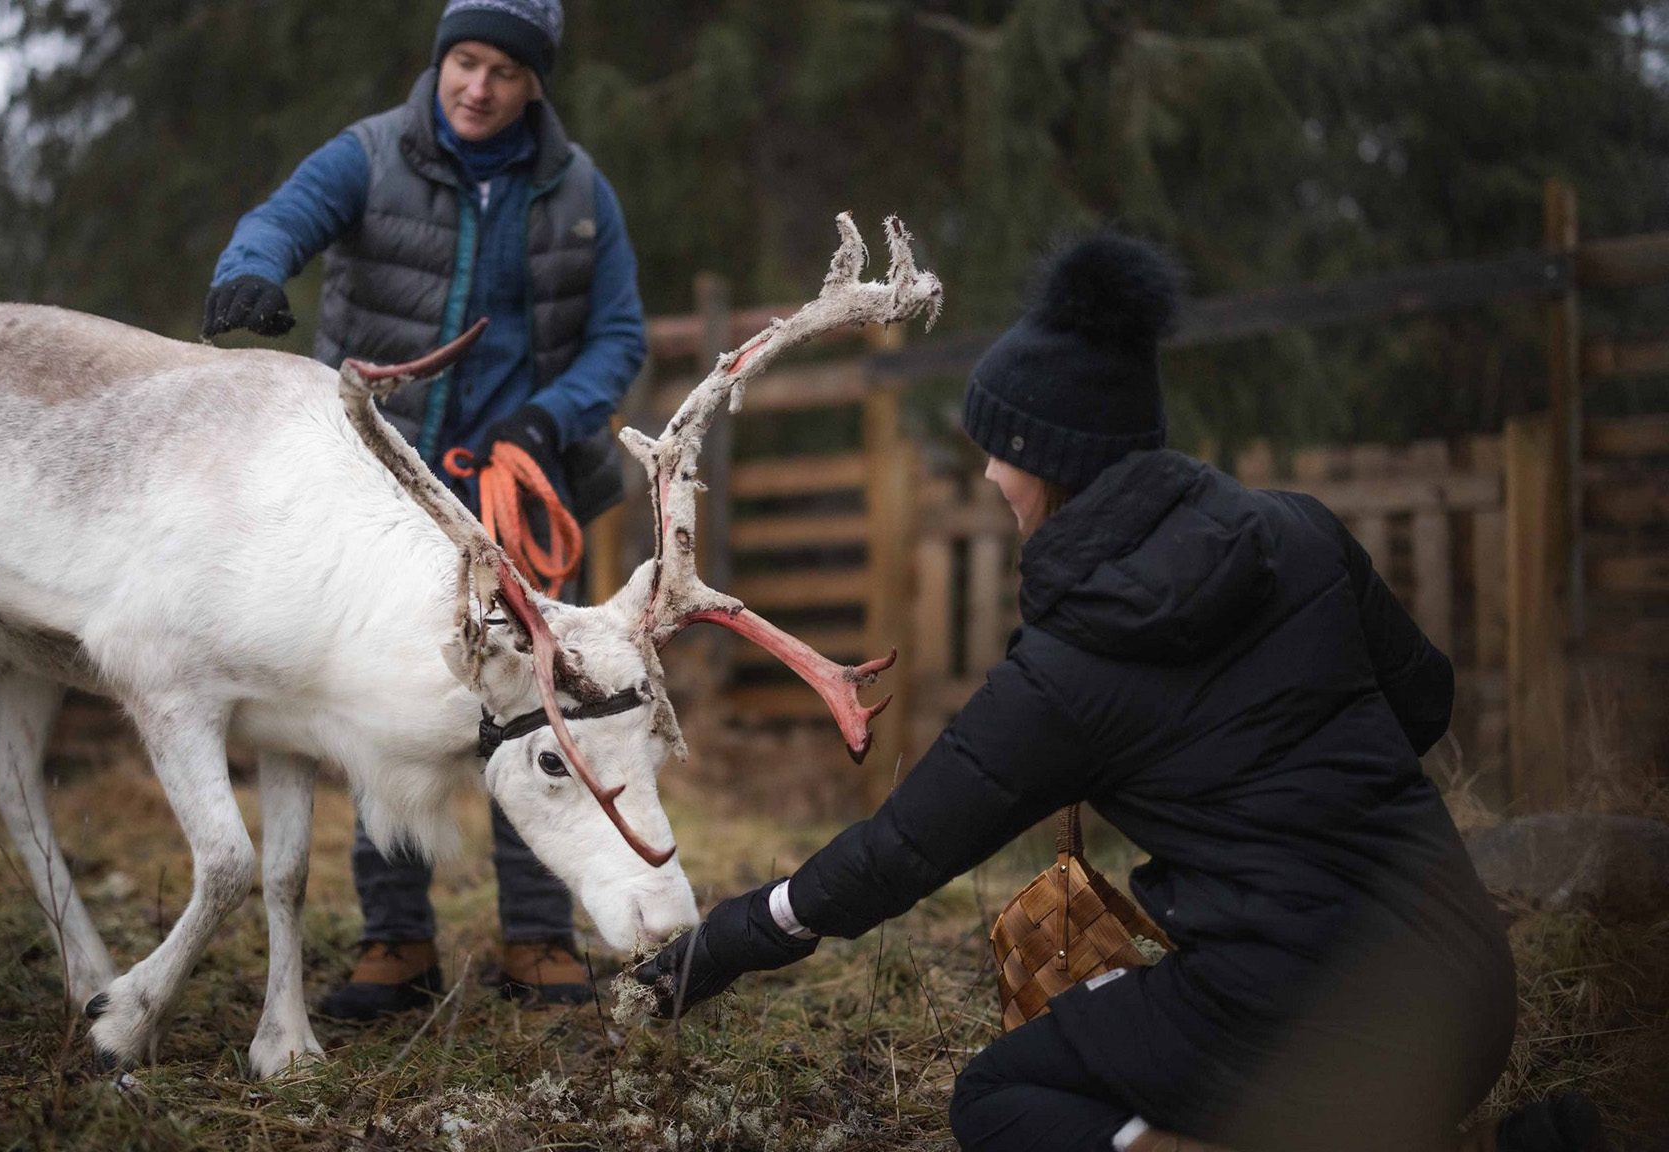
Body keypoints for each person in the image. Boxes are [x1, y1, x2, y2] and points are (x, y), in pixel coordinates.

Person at [632, 233, 1604, 1152]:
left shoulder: (1068, 671)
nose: (984, 471)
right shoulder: (1299, 533)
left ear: (1048, 465)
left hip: (1314, 1025)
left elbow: (899, 855)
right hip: (1469, 992)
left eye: (997, 448)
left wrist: (734, 935)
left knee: (1002, 1102)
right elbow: (1422, 703)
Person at [203, 0, 647, 1019]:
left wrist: (552, 416)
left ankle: (539, 939)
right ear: (441, 62)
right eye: (465, 62)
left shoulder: (579, 192)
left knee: (540, 707)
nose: (477, 87)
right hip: (377, 488)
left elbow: (619, 337)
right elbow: (277, 221)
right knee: (381, 704)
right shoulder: (368, 157)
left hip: (520, 492)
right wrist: (250, 275)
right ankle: (394, 944)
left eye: (501, 69)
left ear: (536, 82)